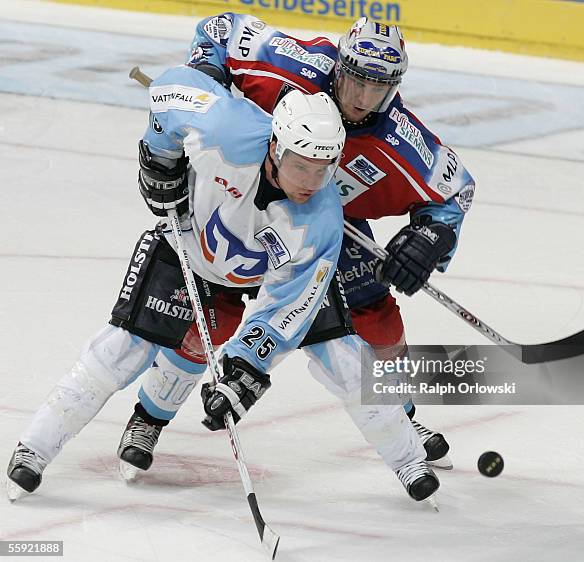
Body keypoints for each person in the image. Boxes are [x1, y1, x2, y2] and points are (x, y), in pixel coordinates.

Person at [117, 15, 475, 477]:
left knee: (377, 319)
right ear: (340, 65)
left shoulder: (401, 140)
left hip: (320, 227)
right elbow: (221, 30)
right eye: (357, 79)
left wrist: (430, 238)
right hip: (243, 201)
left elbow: (456, 192)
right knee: (211, 317)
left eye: (379, 86)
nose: (364, 98)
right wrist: (208, 73)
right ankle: (148, 418)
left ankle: (403, 418)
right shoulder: (292, 63)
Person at [5, 70, 351, 498]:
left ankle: (147, 422)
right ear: (276, 147)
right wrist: (161, 158)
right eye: (302, 164)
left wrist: (246, 368)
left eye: (323, 168)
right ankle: (34, 447)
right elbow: (169, 89)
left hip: (234, 276)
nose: (312, 180)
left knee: (196, 346)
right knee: (123, 347)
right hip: (181, 245)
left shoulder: (320, 213)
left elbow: (291, 302)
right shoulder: (228, 127)